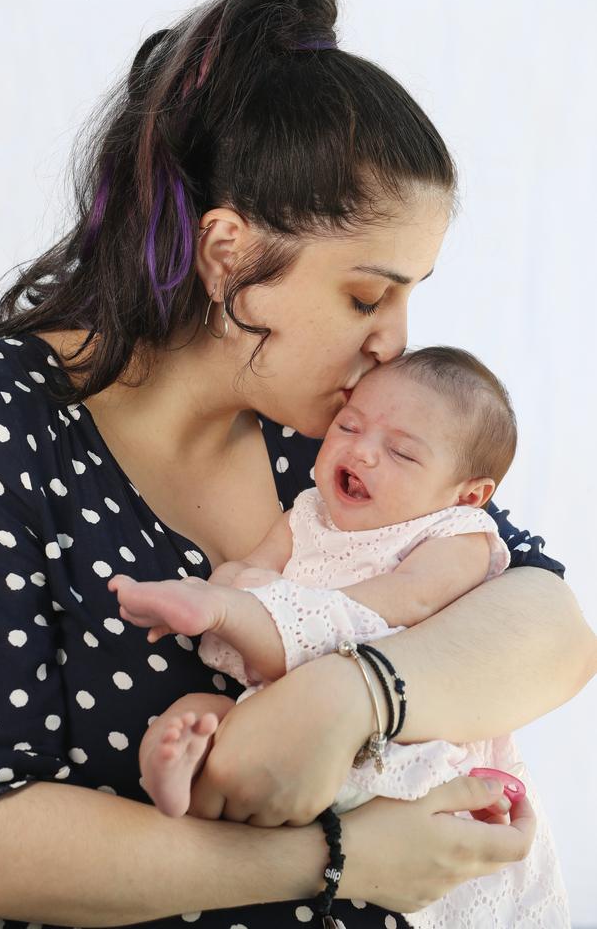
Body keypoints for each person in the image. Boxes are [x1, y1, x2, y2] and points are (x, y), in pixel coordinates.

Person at [0, 0, 593, 929]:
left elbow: (544, 618)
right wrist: (338, 859)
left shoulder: (332, 435)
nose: (395, 343)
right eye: (368, 297)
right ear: (228, 253)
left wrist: (353, 693)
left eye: (411, 296)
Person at [112, 345, 571, 926]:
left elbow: (407, 602)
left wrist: (256, 608)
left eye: (402, 452)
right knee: (201, 710)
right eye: (348, 426)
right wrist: (225, 589)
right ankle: (175, 767)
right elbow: (245, 570)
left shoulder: (457, 532)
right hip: (284, 707)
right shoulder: (307, 512)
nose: (361, 450)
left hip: (399, 730)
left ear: (468, 492)